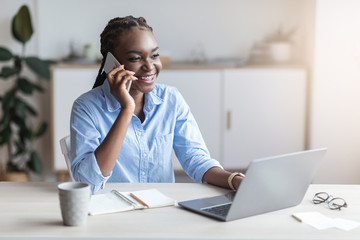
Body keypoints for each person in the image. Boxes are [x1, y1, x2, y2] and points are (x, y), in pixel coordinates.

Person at [70, 16, 245, 193]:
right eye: (136, 58)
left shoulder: (171, 99)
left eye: (154, 55)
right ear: (112, 64)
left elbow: (196, 160)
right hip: (113, 213)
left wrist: (235, 180)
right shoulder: (86, 107)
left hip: (162, 207)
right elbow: (88, 183)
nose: (150, 66)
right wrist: (127, 109)